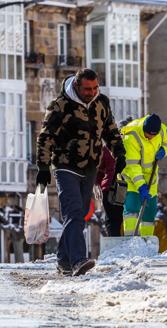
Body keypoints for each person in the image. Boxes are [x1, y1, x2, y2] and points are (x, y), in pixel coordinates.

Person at [36, 68, 126, 276]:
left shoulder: (101, 102)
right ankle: (78, 260)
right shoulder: (60, 106)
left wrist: (119, 154)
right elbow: (45, 137)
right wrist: (42, 166)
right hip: (66, 166)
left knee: (80, 215)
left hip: (91, 167)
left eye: (95, 88)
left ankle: (63, 259)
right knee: (73, 211)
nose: (91, 92)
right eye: (87, 89)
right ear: (77, 86)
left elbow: (110, 130)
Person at [121, 114, 167, 236]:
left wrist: (164, 150)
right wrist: (141, 187)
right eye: (149, 134)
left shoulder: (161, 130)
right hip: (132, 178)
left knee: (149, 213)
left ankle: (147, 242)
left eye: (154, 135)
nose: (151, 137)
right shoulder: (131, 136)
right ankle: (130, 241)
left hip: (151, 179)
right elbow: (132, 166)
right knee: (132, 209)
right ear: (144, 128)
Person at [95, 117, 133, 237]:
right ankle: (115, 244)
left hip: (122, 186)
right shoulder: (106, 148)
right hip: (113, 187)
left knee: (118, 218)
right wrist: (97, 184)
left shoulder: (128, 146)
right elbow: (98, 169)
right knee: (114, 218)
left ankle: (117, 244)